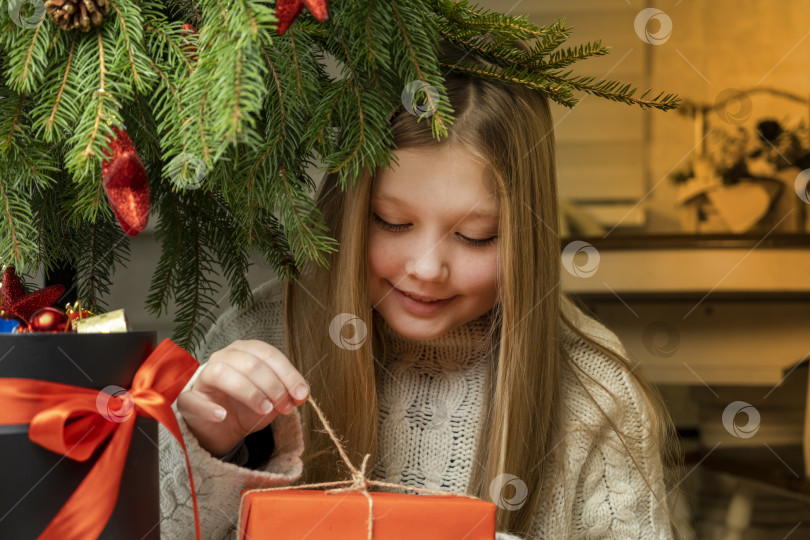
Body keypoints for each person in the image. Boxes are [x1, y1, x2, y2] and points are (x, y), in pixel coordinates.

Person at [159, 39, 681, 539]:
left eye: (477, 237)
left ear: (528, 239)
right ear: (348, 213)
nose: (428, 268)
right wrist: (207, 449)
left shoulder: (595, 391)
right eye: (391, 222)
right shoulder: (257, 337)